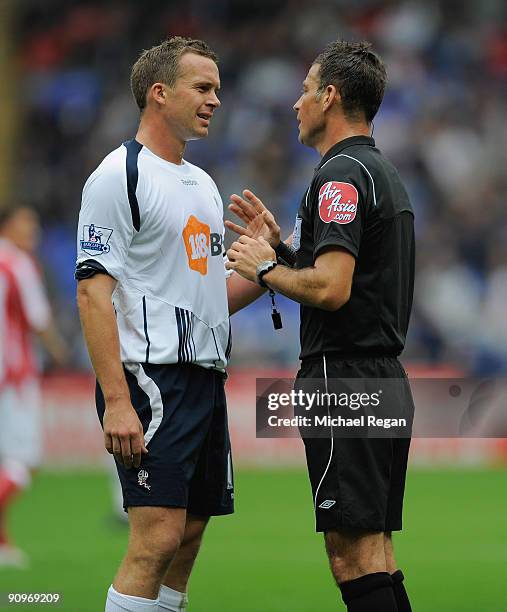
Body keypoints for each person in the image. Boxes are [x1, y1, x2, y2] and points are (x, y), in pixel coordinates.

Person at [226, 41, 415, 612]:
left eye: (306, 88)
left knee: (351, 556)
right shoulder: (383, 173)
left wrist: (263, 267)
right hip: (383, 377)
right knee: (376, 551)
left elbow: (332, 288)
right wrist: (282, 248)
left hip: (343, 380)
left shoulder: (337, 177)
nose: (296, 103)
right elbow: (346, 277)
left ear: (330, 96)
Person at [75, 36, 263, 612]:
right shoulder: (120, 175)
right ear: (160, 93)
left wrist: (268, 262)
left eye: (218, 91)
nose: (215, 101)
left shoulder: (202, 184)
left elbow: (210, 299)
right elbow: (91, 293)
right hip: (151, 380)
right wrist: (117, 400)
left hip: (205, 380)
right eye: (203, 88)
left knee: (187, 538)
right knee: (155, 538)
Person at [0, 206, 67, 568]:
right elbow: (38, 319)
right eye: (28, 221)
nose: (35, 229)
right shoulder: (17, 264)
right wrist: (62, 354)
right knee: (24, 461)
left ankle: (2, 543)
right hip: (13, 377)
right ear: (8, 225)